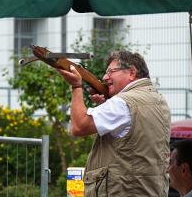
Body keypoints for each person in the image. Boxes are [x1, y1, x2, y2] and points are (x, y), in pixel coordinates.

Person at [57, 51, 171, 196]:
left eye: (111, 71)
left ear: (131, 72)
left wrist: (76, 86)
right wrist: (107, 103)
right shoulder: (159, 100)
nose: (105, 77)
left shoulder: (122, 103)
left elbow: (78, 127)